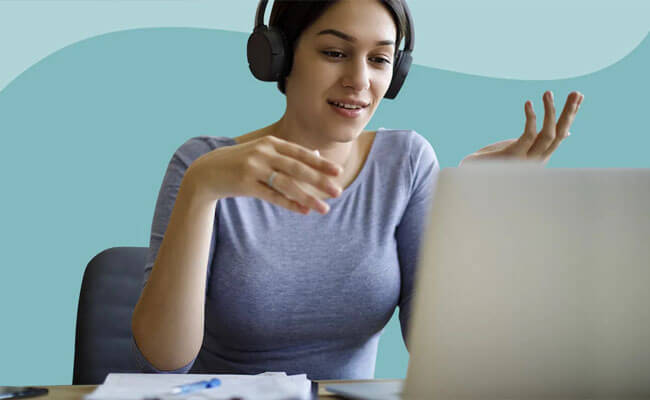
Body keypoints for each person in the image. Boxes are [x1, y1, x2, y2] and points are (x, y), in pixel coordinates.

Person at [131, 0, 584, 380]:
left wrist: (473, 210)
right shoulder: (202, 165)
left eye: (380, 59)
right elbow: (166, 358)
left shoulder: (405, 162)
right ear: (279, 57)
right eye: (334, 52)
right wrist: (202, 190)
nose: (360, 81)